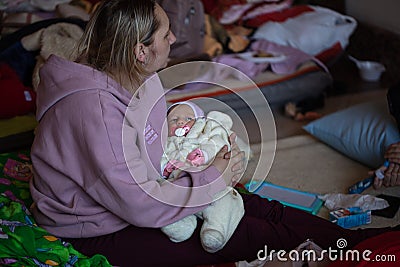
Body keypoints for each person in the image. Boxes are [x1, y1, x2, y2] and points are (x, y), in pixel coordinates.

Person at [29, 0, 399, 266]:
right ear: (140, 50)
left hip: (149, 186)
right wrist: (210, 176)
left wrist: (188, 128)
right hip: (99, 224)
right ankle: (362, 252)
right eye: (165, 32)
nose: (175, 38)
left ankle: (357, 243)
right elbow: (139, 203)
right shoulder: (90, 111)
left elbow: (149, 132)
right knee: (241, 236)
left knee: (254, 205)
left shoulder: (135, 76)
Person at [160, 101, 245, 253]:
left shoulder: (206, 135)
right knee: (169, 202)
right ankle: (181, 225)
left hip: (211, 180)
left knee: (224, 200)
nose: (181, 121)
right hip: (181, 186)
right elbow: (158, 160)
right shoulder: (167, 144)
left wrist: (204, 154)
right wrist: (164, 167)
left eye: (188, 118)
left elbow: (219, 145)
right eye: (174, 120)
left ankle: (216, 229)